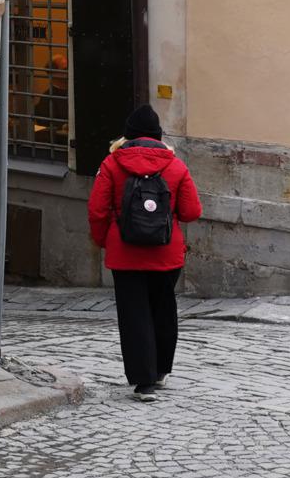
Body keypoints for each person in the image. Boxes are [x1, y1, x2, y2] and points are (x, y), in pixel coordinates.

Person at [86, 105, 203, 399]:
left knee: (134, 313)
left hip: (125, 253)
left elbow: (97, 210)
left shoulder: (111, 164)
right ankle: (161, 370)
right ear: (158, 136)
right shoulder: (176, 166)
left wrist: (104, 241)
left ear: (127, 136)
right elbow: (191, 212)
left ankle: (144, 381)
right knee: (163, 309)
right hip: (166, 252)